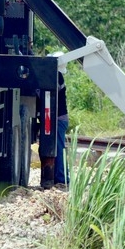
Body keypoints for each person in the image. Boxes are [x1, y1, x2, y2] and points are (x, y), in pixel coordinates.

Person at [49, 52, 69, 187]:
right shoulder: (58, 76)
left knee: (59, 148)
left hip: (59, 118)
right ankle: (60, 176)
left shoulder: (56, 76)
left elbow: (48, 93)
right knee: (58, 147)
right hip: (60, 118)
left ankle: (61, 177)